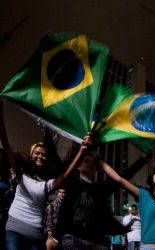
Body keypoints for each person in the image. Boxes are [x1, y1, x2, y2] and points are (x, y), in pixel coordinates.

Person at [0, 102, 91, 250]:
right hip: (14, 231)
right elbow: (6, 145)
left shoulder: (47, 183)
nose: (40, 157)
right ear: (30, 155)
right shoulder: (20, 173)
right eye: (37, 153)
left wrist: (82, 151)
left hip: (35, 235)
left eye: (43, 155)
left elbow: (65, 174)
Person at [56, 148, 150, 250]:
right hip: (74, 239)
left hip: (97, 241)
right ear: (78, 166)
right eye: (87, 161)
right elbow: (56, 162)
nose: (91, 164)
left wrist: (143, 159)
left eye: (93, 163)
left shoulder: (101, 188)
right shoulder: (71, 183)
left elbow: (124, 176)